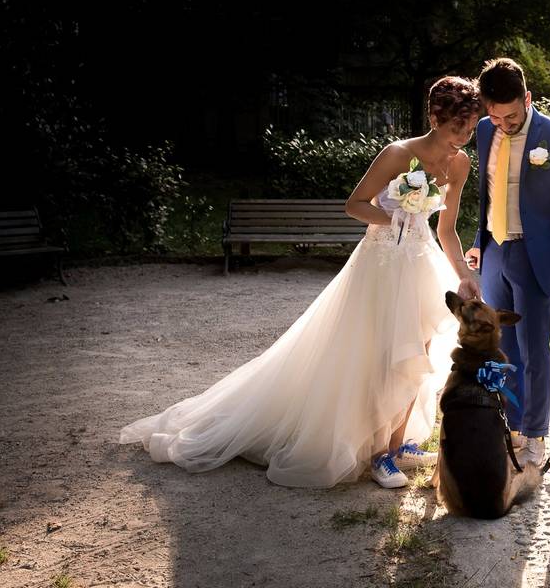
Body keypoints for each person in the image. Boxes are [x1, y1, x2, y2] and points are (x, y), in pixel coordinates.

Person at [120, 76, 482, 489]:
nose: (464, 138)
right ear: (436, 118)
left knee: (417, 350)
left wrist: (464, 275)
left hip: (420, 264)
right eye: (459, 128)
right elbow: (354, 205)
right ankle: (380, 454)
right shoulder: (398, 154)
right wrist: (396, 214)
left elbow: (447, 229)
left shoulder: (459, 163)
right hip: (381, 266)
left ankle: (399, 445)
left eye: (470, 129)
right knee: (383, 356)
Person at [458, 57, 550, 468]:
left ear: (528, 99)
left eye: (511, 115)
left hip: (537, 258)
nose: (503, 124)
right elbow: (489, 195)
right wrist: (480, 242)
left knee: (535, 352)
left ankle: (534, 436)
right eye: (495, 116)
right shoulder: (484, 131)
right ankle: (510, 427)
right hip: (496, 252)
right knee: (502, 349)